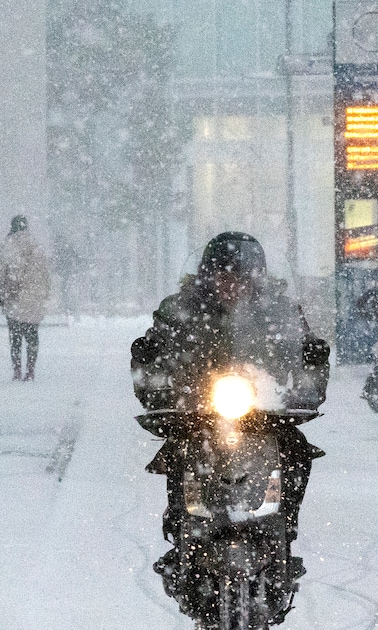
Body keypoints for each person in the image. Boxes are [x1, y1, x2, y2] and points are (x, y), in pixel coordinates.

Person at [129, 231, 330, 570]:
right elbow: (155, 353)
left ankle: (286, 525)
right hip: (198, 410)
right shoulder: (180, 310)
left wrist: (311, 361)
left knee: (295, 450)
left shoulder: (280, 312)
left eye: (241, 275)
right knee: (178, 454)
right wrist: (149, 361)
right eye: (222, 274)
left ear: (258, 278)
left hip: (262, 408)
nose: (231, 283)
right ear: (207, 275)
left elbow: (302, 351)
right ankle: (181, 535)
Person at [0, 215, 51, 381]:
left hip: (14, 298)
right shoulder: (36, 246)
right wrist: (45, 293)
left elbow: (0, 272)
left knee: (15, 336)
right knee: (32, 336)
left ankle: (17, 369)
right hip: (34, 297)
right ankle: (30, 370)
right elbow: (45, 274)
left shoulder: (8, 246)